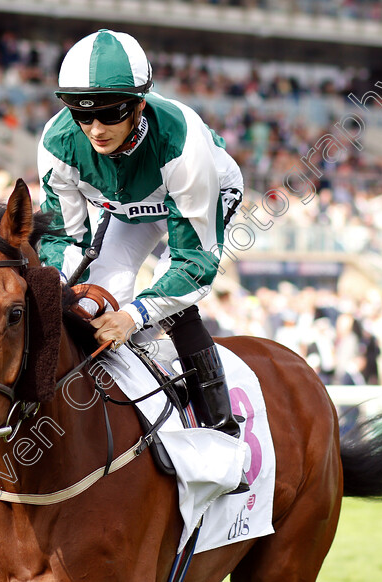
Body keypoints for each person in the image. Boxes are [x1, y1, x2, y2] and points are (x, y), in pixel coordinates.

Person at [37, 30, 246, 466]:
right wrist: (59, 291)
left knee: (169, 307)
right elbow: (63, 239)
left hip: (197, 194)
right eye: (81, 114)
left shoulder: (180, 142)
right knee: (94, 297)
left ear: (139, 105)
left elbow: (194, 262)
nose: (95, 129)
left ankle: (222, 437)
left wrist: (135, 316)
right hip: (126, 206)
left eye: (111, 114)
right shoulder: (57, 142)